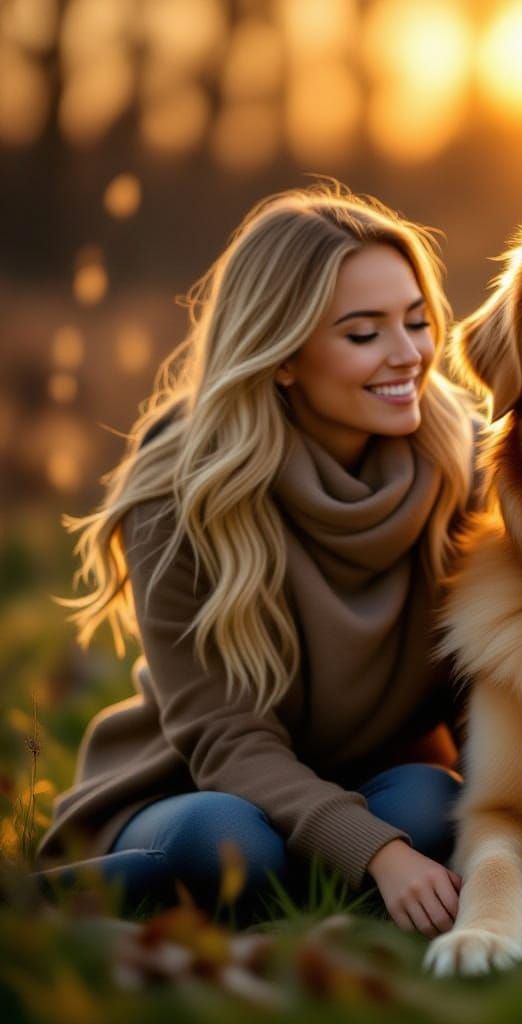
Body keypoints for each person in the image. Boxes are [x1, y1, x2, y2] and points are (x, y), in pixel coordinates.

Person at [32, 182, 486, 937]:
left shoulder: (465, 466)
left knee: (437, 806)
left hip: (371, 787)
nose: (410, 354)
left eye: (416, 321)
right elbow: (225, 737)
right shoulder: (180, 490)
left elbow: (486, 684)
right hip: (193, 792)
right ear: (282, 356)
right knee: (232, 846)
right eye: (364, 334)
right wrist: (378, 854)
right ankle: (33, 909)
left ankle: (316, 886)